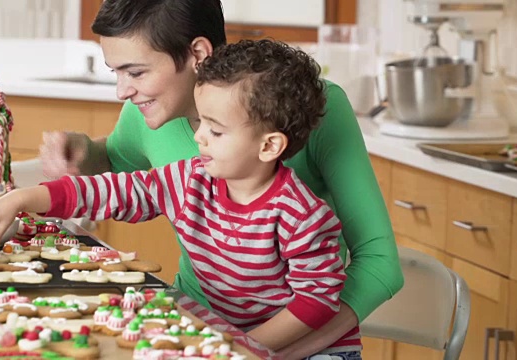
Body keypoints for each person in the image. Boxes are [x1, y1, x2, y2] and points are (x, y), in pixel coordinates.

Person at [38, 0, 403, 358]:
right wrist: (83, 152)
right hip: (197, 327)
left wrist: (267, 350)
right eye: (115, 72)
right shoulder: (146, 110)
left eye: (135, 72)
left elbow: (378, 261)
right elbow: (120, 172)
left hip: (289, 337)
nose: (123, 90)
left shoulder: (317, 108)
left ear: (197, 53)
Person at [0, 39, 361, 356]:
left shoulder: (303, 216)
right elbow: (111, 191)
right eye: (201, 123)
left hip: (310, 350)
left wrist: (243, 345)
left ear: (269, 145)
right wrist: (22, 198)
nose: (199, 138)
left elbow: (317, 303)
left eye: (216, 130)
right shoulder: (190, 179)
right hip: (228, 340)